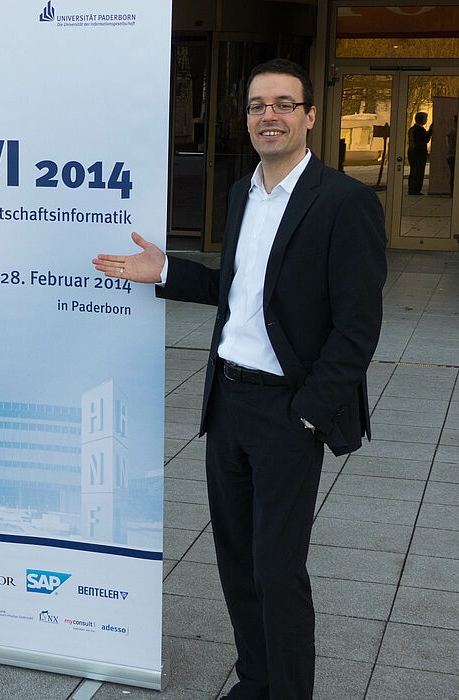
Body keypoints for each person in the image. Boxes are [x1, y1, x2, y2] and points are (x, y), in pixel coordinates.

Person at [93, 58, 386, 699]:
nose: (269, 115)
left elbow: (359, 327)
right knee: (235, 561)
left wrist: (309, 411)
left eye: (283, 104)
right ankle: (254, 679)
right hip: (227, 403)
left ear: (310, 116)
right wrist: (167, 271)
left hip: (288, 412)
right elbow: (241, 293)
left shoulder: (345, 201)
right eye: (257, 105)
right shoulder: (240, 192)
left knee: (278, 572)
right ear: (246, 118)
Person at [407, 111, 431, 195]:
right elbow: (425, 140)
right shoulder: (419, 130)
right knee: (419, 172)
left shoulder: (412, 129)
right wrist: (430, 131)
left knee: (413, 171)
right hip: (418, 154)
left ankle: (412, 189)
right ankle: (416, 190)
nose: (426, 120)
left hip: (412, 152)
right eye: (425, 118)